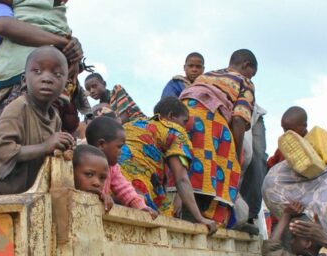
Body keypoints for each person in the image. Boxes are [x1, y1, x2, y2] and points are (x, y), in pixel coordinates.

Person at [0, 46, 75, 196]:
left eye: (57, 74)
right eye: (37, 71)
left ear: (66, 84)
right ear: (24, 80)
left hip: (20, 199)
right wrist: (45, 146)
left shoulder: (55, 118)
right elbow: (2, 152)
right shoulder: (17, 108)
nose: (46, 78)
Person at [0, 0, 83, 141]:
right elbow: (1, 25)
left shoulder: (56, 15)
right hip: (29, 79)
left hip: (11, 72)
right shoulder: (56, 18)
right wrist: (64, 45)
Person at [178, 49, 257, 226]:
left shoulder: (207, 75)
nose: (251, 77)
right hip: (209, 121)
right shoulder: (245, 82)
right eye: (252, 74)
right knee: (217, 168)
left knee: (186, 166)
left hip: (182, 118)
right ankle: (206, 217)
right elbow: (238, 119)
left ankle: (184, 212)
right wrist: (235, 156)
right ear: (246, 65)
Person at [119, 96, 217, 234]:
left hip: (114, 185)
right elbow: (181, 178)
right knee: (167, 215)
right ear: (171, 116)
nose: (184, 127)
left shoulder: (132, 124)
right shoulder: (174, 130)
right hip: (137, 192)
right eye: (184, 121)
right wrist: (200, 218)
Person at [85, 116, 158, 218]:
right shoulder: (82, 161)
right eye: (119, 147)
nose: (122, 152)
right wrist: (99, 196)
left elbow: (124, 189)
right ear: (101, 144)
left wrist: (141, 207)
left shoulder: (113, 168)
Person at [72, 144, 112, 212]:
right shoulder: (59, 196)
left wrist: (105, 201)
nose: (97, 183)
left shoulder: (101, 200)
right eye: (89, 174)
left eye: (102, 178)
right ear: (71, 171)